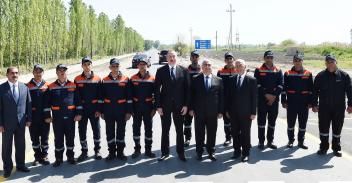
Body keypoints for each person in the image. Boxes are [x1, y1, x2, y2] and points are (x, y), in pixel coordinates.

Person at [312, 54, 352, 157]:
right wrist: (314, 104)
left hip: (339, 108)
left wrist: (350, 105)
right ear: (325, 63)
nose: (330, 64)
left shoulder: (344, 76)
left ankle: (336, 148)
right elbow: (315, 91)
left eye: (332, 62)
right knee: (323, 129)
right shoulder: (320, 76)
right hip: (324, 108)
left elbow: (350, 92)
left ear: (336, 62)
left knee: (337, 129)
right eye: (328, 62)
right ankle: (323, 147)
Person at [155, 50, 190, 162]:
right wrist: (158, 106)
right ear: (166, 58)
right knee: (165, 129)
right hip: (165, 106)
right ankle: (164, 153)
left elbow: (187, 89)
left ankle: (181, 153)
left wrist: (186, 105)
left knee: (179, 129)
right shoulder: (161, 71)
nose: (172, 58)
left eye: (173, 56)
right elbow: (156, 90)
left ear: (176, 57)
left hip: (180, 106)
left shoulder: (184, 70)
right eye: (170, 56)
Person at [44, 64, 83, 167]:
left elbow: (78, 101)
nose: (62, 72)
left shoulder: (73, 85)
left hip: (71, 117)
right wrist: (47, 116)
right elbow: (46, 104)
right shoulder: (51, 87)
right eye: (60, 70)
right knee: (58, 139)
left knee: (70, 138)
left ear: (67, 72)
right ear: (56, 73)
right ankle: (59, 158)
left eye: (64, 70)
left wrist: (79, 114)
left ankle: (70, 157)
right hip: (57, 117)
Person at [0, 67, 32, 178]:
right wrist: (0, 124)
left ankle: (21, 165)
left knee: (21, 145)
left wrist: (29, 119)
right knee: (6, 147)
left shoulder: (24, 87)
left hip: (21, 122)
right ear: (7, 74)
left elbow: (29, 104)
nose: (15, 75)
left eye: (16, 73)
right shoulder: (1, 88)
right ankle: (7, 168)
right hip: (6, 124)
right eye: (12, 73)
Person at [189, 59, 223, 161]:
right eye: (205, 65)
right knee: (199, 133)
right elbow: (191, 95)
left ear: (212, 67)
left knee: (212, 132)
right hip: (199, 112)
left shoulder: (218, 80)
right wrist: (191, 108)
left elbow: (221, 97)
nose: (207, 66)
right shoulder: (195, 78)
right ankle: (199, 152)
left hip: (213, 112)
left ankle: (211, 151)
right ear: (202, 67)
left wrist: (220, 111)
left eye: (209, 65)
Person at [101, 58, 133, 161]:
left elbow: (129, 98)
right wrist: (102, 112)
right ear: (110, 67)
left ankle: (120, 152)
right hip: (108, 111)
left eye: (117, 66)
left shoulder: (125, 79)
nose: (115, 68)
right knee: (109, 132)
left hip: (121, 110)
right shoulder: (105, 80)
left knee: (121, 132)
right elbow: (101, 98)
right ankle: (111, 153)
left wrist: (129, 112)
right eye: (113, 66)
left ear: (119, 67)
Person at [226, 59, 257, 162]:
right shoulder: (231, 79)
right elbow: (228, 96)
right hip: (233, 113)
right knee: (234, 133)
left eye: (240, 65)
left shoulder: (251, 80)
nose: (238, 67)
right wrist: (227, 110)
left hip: (246, 113)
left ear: (245, 67)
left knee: (245, 133)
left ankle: (246, 153)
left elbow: (254, 98)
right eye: (237, 65)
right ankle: (236, 151)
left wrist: (253, 112)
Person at [281, 53, 313, 149]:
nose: (297, 62)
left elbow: (311, 89)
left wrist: (311, 102)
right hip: (291, 102)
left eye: (299, 60)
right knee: (291, 123)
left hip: (304, 103)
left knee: (302, 123)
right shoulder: (287, 73)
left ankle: (301, 141)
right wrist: (283, 101)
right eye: (296, 60)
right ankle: (290, 140)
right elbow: (284, 89)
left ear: (302, 61)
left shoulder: (308, 73)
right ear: (293, 61)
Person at [74, 56, 103, 161]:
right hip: (83, 110)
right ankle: (84, 151)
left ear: (91, 65)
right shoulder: (77, 79)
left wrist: (99, 110)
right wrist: (78, 112)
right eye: (85, 64)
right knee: (82, 131)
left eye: (88, 64)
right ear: (82, 66)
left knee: (96, 130)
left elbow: (101, 97)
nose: (87, 66)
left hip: (94, 109)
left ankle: (97, 150)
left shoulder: (98, 79)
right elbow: (76, 98)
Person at [254, 50, 284, 150]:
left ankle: (270, 141)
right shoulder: (258, 70)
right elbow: (257, 85)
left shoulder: (278, 70)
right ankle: (261, 141)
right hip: (262, 100)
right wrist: (266, 95)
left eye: (271, 57)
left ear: (273, 58)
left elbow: (281, 85)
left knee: (272, 122)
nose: (269, 59)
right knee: (261, 122)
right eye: (267, 57)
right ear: (264, 58)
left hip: (274, 101)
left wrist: (274, 96)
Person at [130, 57, 156, 159]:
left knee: (148, 129)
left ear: (147, 65)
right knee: (136, 129)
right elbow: (129, 95)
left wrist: (154, 109)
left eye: (144, 64)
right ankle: (137, 149)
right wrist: (131, 109)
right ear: (137, 66)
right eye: (140, 64)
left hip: (148, 107)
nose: (142, 66)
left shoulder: (152, 78)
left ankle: (148, 150)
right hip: (136, 107)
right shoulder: (132, 78)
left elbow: (156, 95)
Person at [26, 64, 50, 166]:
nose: (38, 73)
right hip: (33, 117)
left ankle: (44, 156)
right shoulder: (27, 86)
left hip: (45, 117)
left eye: (40, 71)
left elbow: (51, 102)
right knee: (34, 138)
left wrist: (49, 116)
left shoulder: (47, 85)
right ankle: (37, 156)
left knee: (44, 138)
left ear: (43, 73)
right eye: (36, 71)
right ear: (33, 73)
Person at [217, 52, 237, 146]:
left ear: (233, 59)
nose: (229, 60)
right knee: (226, 120)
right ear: (225, 60)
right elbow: (217, 87)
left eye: (231, 58)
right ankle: (228, 138)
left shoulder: (238, 70)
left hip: (236, 100)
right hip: (224, 100)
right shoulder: (220, 72)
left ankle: (236, 137)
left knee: (236, 120)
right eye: (227, 59)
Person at [184, 50, 201, 147]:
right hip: (189, 100)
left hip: (199, 100)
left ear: (198, 58)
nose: (195, 58)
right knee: (187, 121)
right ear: (190, 58)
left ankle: (201, 139)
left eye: (196, 56)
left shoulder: (202, 70)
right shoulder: (185, 70)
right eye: (193, 57)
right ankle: (187, 138)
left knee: (200, 122)